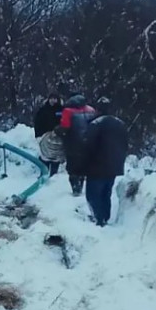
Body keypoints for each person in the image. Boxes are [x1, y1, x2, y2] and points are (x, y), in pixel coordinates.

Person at [83, 97, 129, 227]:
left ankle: (98, 219)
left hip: (97, 166)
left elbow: (88, 145)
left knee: (93, 194)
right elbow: (125, 145)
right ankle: (105, 217)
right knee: (106, 193)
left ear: (97, 109)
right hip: (114, 166)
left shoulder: (95, 124)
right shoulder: (120, 124)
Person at [58, 94, 97, 195]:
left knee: (73, 168)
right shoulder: (91, 110)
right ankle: (81, 184)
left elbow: (65, 128)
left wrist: (57, 130)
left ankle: (76, 188)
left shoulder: (68, 111)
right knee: (83, 166)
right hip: (88, 144)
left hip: (73, 144)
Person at [33, 95, 65, 176]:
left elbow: (65, 123)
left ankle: (53, 176)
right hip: (45, 137)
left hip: (58, 138)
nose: (53, 100)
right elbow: (37, 123)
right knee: (45, 157)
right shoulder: (43, 110)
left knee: (56, 158)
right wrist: (38, 136)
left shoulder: (62, 110)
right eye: (51, 98)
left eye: (55, 98)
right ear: (48, 99)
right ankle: (43, 175)